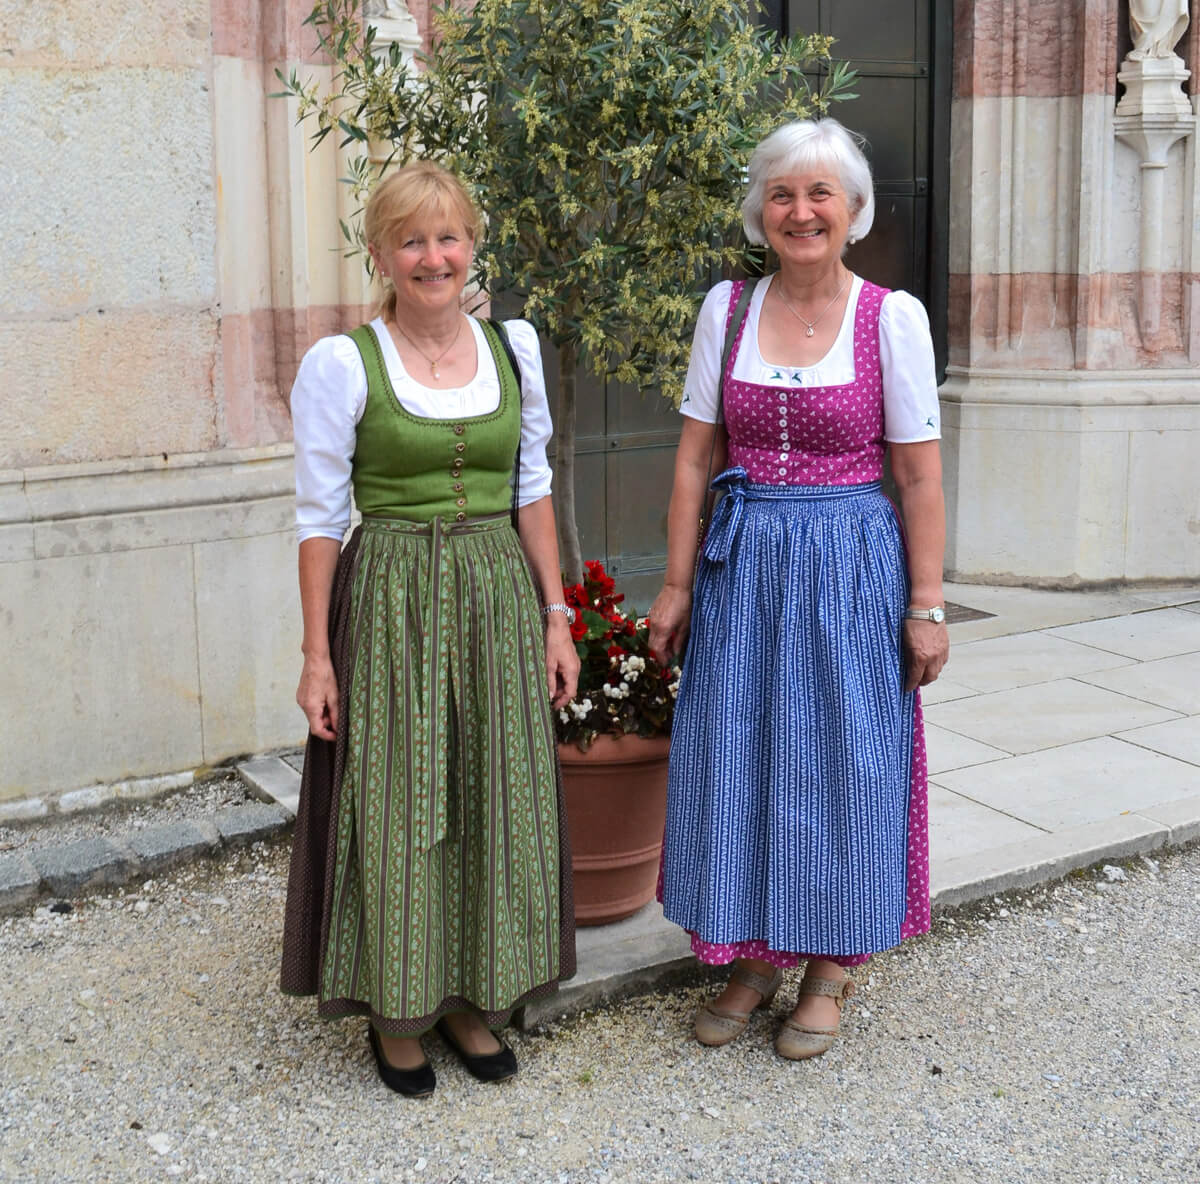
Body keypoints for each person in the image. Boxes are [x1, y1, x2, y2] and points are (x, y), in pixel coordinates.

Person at [649, 118, 949, 1061]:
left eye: (821, 194)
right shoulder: (727, 311)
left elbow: (920, 477)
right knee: (743, 754)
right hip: (744, 571)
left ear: (853, 212)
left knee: (843, 758)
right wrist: (675, 583)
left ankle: (830, 962)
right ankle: (752, 957)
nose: (801, 210)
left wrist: (928, 604)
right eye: (783, 193)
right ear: (760, 211)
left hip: (851, 569)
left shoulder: (889, 317)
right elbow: (696, 459)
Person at [279, 161, 578, 1096]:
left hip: (495, 594)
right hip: (393, 600)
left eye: (448, 238)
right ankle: (396, 1010)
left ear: (471, 247)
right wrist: (316, 654)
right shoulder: (343, 362)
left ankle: (467, 996)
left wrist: (556, 619)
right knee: (402, 798)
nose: (433, 256)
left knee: (491, 791)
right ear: (381, 254)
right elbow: (320, 517)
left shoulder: (513, 349)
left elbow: (532, 490)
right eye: (412, 240)